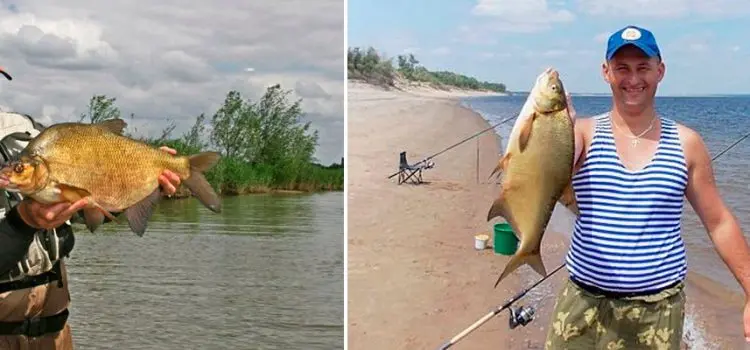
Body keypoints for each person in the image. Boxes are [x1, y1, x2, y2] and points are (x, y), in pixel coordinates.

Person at [544, 25, 750, 349]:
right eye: (622, 68)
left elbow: (719, 222)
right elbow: (543, 178)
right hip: (583, 303)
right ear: (606, 72)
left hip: (657, 313)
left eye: (643, 68)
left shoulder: (687, 143)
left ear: (660, 70)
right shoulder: (581, 134)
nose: (633, 79)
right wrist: (552, 128)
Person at [0, 71, 183, 349]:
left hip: (54, 334)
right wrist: (23, 221)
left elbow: (84, 206)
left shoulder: (26, 133)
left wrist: (135, 178)